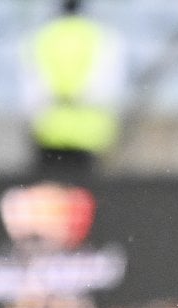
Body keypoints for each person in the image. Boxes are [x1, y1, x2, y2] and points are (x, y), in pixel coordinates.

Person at [19, 0, 125, 177]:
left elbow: (31, 89)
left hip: (48, 130)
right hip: (90, 134)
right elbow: (107, 87)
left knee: (52, 197)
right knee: (85, 197)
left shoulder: (42, 37)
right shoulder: (100, 37)